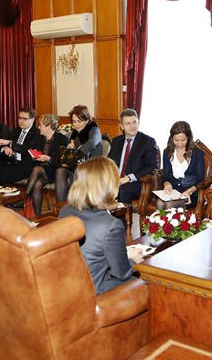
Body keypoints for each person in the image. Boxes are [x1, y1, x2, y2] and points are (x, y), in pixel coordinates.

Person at [59, 157, 145, 294]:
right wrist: (132, 260)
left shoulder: (65, 210)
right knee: (145, 280)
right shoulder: (111, 225)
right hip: (93, 291)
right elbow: (121, 274)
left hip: (68, 284)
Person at [107, 108, 159, 204]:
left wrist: (129, 178)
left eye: (134, 122)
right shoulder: (116, 141)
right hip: (116, 179)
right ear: (122, 126)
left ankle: (121, 214)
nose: (132, 126)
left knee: (123, 189)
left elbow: (153, 166)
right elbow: (109, 162)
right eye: (128, 123)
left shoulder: (148, 142)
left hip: (136, 182)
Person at [55, 105, 103, 202]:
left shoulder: (94, 129)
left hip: (92, 167)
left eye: (79, 121)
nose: (76, 124)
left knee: (78, 172)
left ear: (86, 120)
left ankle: (77, 205)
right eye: (74, 121)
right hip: (78, 166)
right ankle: (60, 207)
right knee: (60, 171)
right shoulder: (75, 133)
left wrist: (76, 153)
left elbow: (91, 143)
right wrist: (70, 147)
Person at [25, 114, 69, 216]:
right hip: (43, 171)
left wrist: (48, 158)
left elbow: (62, 161)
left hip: (56, 171)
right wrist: (34, 156)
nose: (38, 127)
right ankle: (38, 216)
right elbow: (31, 152)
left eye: (40, 125)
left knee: (37, 169)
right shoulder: (39, 138)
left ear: (48, 126)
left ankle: (25, 197)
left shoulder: (62, 139)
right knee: (37, 185)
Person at [0, 107, 39, 185]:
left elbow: (27, 150)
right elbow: (0, 146)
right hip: (11, 159)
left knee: (0, 172)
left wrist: (10, 143)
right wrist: (5, 147)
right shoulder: (16, 130)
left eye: (24, 119)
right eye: (19, 118)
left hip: (23, 164)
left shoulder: (36, 133)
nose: (21, 121)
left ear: (32, 119)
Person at [157, 121, 205, 209]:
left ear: (189, 138)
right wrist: (167, 184)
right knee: (159, 203)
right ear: (171, 138)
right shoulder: (167, 152)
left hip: (190, 192)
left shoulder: (197, 153)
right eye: (176, 140)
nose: (179, 144)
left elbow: (201, 180)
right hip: (174, 191)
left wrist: (189, 191)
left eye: (183, 140)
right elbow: (166, 175)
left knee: (169, 205)